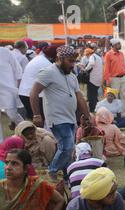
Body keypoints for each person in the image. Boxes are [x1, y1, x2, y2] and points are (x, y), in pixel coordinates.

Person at [30, 46, 90, 181]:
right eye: (70, 61)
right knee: (67, 146)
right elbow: (34, 93)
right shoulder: (48, 72)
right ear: (59, 58)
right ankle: (52, 170)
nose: (72, 64)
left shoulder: (72, 76)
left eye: (74, 61)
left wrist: (87, 116)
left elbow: (79, 97)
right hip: (56, 117)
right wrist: (36, 115)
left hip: (70, 117)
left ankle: (68, 175)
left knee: (68, 148)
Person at [19, 45, 57, 120]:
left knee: (35, 122)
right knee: (40, 121)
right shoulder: (46, 64)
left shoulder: (38, 58)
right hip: (33, 95)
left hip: (24, 92)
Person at [0, 47, 24, 135]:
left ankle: (31, 134)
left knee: (13, 115)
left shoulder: (4, 51)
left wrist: (18, 86)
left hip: (8, 89)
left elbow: (17, 69)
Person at [104, 39, 125, 116]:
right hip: (114, 79)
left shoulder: (121, 54)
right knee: (115, 97)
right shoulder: (108, 54)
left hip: (123, 78)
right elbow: (106, 68)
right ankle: (115, 114)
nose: (120, 45)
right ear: (114, 45)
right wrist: (107, 80)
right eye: (118, 44)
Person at [81, 47, 103, 112]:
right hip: (98, 79)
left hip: (93, 79)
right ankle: (96, 108)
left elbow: (91, 63)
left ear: (88, 54)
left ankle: (92, 109)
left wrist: (85, 69)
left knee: (91, 96)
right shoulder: (98, 57)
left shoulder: (92, 57)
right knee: (95, 95)